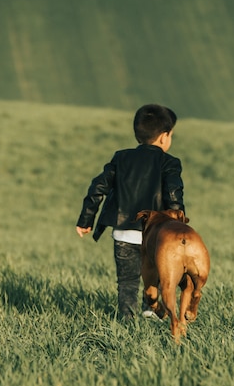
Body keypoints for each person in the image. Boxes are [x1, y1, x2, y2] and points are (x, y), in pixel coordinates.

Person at [76, 104, 185, 320]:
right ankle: (149, 311)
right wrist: (179, 225)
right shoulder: (169, 162)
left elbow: (98, 187)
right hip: (156, 234)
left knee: (127, 281)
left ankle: (127, 320)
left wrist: (86, 220)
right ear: (164, 137)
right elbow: (174, 195)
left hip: (124, 232)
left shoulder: (121, 158)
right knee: (156, 275)